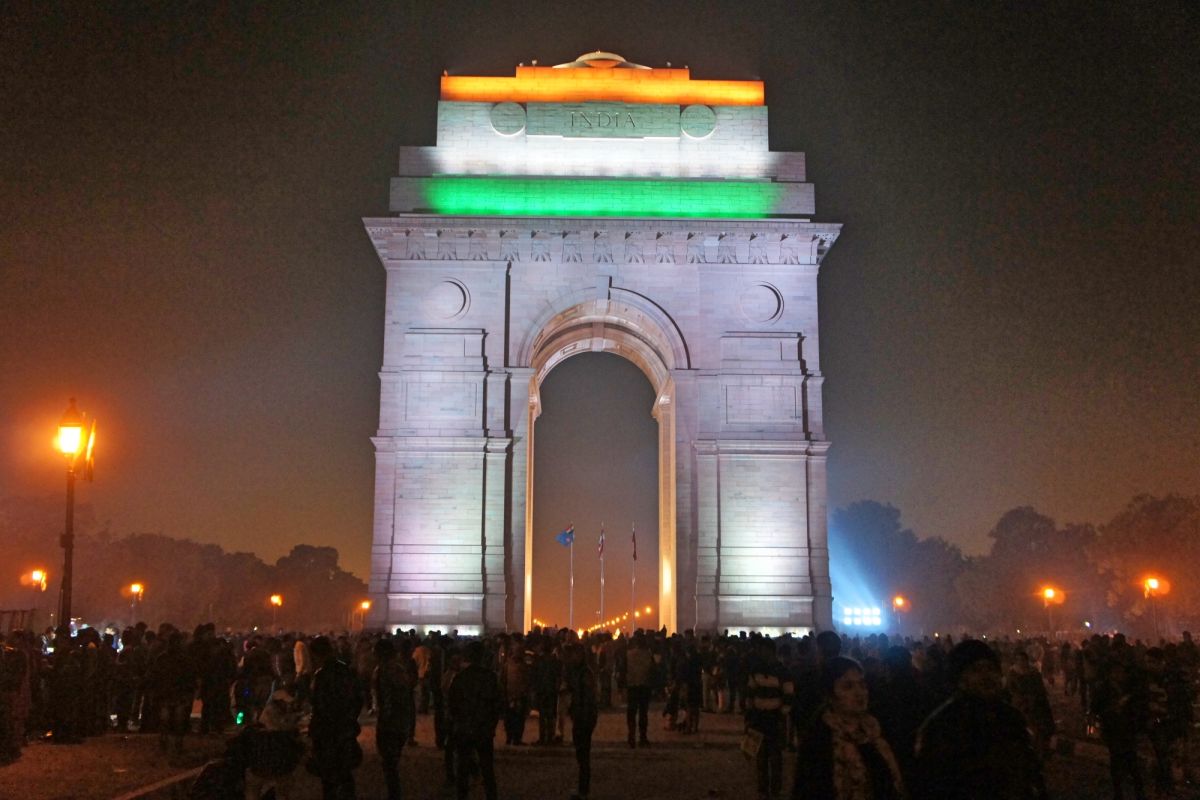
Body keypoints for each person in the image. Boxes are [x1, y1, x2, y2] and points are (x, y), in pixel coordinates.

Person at [914, 639, 1048, 800]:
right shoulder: (942, 726)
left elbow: (1029, 770)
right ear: (960, 678)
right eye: (976, 670)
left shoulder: (1010, 717)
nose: (986, 676)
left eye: (991, 668)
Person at [792, 656, 904, 800]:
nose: (859, 693)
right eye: (848, 687)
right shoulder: (819, 740)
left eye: (862, 685)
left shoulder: (875, 733)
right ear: (830, 695)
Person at [308, 636, 363, 800]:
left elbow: (319, 705)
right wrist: (351, 718)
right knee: (345, 773)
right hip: (345, 727)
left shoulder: (322, 675)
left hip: (327, 731)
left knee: (328, 774)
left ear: (316, 655)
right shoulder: (346, 671)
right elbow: (358, 699)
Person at [447, 641, 502, 800]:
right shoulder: (490, 677)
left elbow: (452, 703)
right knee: (487, 769)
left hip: (464, 728)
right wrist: (491, 725)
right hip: (483, 729)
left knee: (462, 769)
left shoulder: (460, 677)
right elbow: (496, 704)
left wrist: (457, 721)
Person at [746, 638, 795, 800]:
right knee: (761, 756)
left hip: (774, 719)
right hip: (760, 718)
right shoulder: (757, 669)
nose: (760, 653)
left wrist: (781, 715)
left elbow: (789, 696)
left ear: (770, 651)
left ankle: (774, 790)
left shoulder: (782, 672)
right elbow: (750, 694)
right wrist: (750, 716)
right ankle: (763, 790)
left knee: (775, 757)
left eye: (762, 650)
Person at [241, 685, 303, 800]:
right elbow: (282, 728)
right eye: (285, 702)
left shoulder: (261, 730)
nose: (288, 705)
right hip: (272, 765)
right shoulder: (273, 718)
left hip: (261, 766)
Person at [374, 638, 415, 800]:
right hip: (401, 721)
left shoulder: (383, 671)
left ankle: (394, 794)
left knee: (388, 762)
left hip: (390, 722)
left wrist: (384, 719)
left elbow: (388, 698)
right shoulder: (399, 669)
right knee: (392, 762)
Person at [564, 643, 599, 800]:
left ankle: (583, 790)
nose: (573, 657)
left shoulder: (584, 673)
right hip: (580, 716)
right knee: (581, 755)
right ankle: (582, 788)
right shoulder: (579, 672)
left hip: (584, 717)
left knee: (583, 755)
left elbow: (587, 697)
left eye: (575, 654)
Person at [625, 634, 654, 747]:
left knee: (631, 713)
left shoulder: (629, 654)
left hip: (632, 686)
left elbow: (624, 669)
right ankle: (643, 737)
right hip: (644, 686)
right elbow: (652, 670)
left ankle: (631, 736)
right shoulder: (648, 655)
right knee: (643, 713)